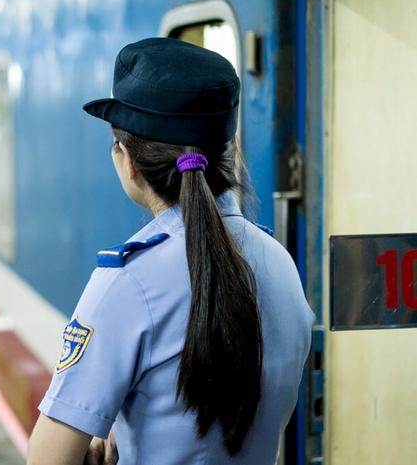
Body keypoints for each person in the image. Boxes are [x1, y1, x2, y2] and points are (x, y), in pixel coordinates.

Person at [27, 38, 315, 465]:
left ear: (127, 160)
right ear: (227, 154)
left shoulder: (127, 284)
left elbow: (47, 460)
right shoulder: (280, 263)